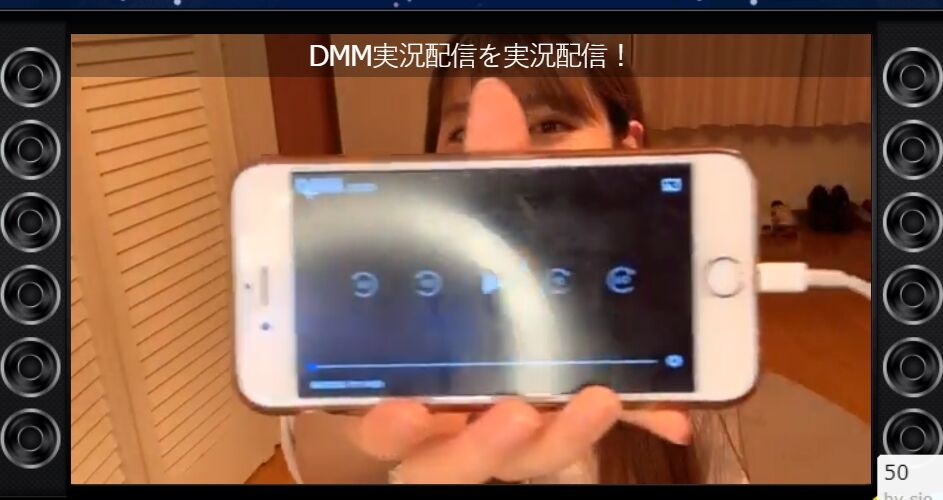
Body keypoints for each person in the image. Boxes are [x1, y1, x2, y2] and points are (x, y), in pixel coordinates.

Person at [283, 34, 751, 485]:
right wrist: (365, 442)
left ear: (626, 148)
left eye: (550, 125)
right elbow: (322, 457)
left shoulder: (677, 348)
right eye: (460, 130)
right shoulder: (401, 301)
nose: (504, 155)